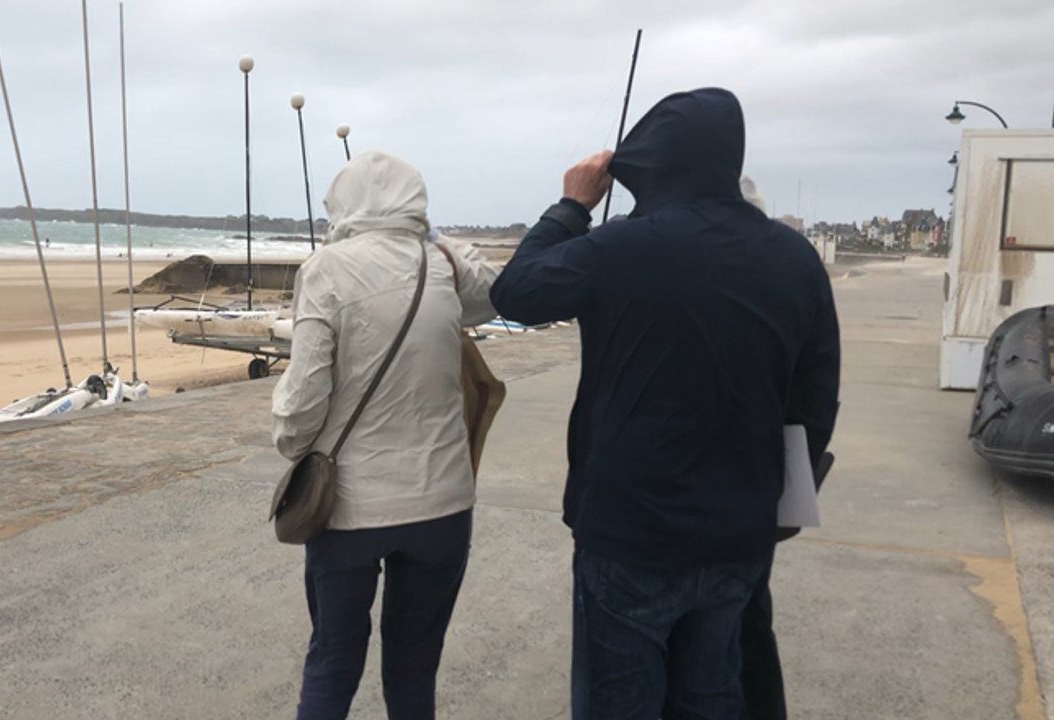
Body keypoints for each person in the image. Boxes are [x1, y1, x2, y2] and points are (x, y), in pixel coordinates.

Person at [489, 88, 840, 719]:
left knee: (619, 701)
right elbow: (816, 396)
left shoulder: (621, 247)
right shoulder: (794, 258)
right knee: (712, 697)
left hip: (630, 527)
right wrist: (779, 496)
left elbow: (515, 293)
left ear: (650, 163)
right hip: (740, 527)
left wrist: (572, 205)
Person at [272, 150, 498, 720]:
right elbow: (494, 292)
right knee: (414, 669)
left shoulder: (326, 269)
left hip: (349, 508)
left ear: (341, 203)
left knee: (333, 661)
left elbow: (304, 400)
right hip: (443, 504)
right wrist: (436, 238)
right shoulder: (440, 264)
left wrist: (291, 444)